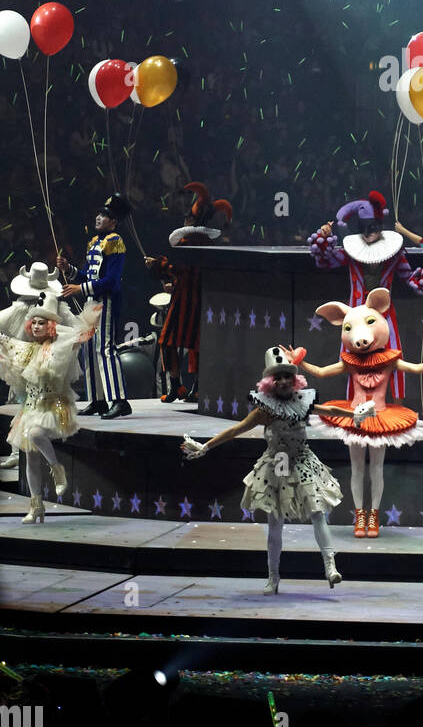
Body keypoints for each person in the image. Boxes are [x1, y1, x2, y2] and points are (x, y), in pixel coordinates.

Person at [181, 346, 372, 593]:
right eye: (278, 377)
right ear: (270, 382)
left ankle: (330, 567)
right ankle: (273, 578)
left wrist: (354, 414)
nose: (283, 381)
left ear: (295, 380)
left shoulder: (302, 402)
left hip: (302, 461)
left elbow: (330, 411)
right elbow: (235, 430)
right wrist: (205, 446)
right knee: (275, 523)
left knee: (317, 511)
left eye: (287, 376)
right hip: (277, 465)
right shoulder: (265, 410)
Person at [291, 287, 423, 539]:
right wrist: (300, 362)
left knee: (376, 469)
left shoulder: (388, 359)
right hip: (354, 417)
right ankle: (360, 516)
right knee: (357, 468)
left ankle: (373, 515)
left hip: (380, 418)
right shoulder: (349, 361)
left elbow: (415, 368)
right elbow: (322, 373)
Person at [309, 190, 423, 404]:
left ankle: (398, 404)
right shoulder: (351, 253)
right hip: (355, 314)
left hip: (384, 314)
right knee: (351, 360)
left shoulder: (395, 253)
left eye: (374, 228)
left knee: (394, 357)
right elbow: (325, 260)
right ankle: (353, 403)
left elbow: (409, 277)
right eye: (366, 229)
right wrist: (323, 237)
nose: (370, 233)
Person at [0, 295, 102, 523]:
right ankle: (36, 507)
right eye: (34, 323)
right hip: (31, 408)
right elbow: (4, 342)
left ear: (51, 326)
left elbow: (82, 335)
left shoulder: (61, 346)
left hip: (54, 406)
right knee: (31, 456)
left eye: (42, 323)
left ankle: (57, 469)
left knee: (35, 434)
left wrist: (83, 320)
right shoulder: (27, 349)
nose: (36, 327)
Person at [145, 180, 232, 403]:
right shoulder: (209, 244)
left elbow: (176, 266)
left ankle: (177, 386)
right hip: (203, 299)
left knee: (167, 342)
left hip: (185, 301)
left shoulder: (188, 240)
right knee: (197, 346)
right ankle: (197, 388)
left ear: (191, 220)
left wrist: (157, 264)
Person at [58, 193, 132, 420]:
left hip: (107, 300)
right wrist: (69, 269)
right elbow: (86, 275)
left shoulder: (115, 241)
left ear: (114, 222)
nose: (99, 218)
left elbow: (111, 280)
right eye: (99, 214)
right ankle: (97, 400)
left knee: (105, 349)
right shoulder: (94, 242)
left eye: (105, 216)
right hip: (92, 300)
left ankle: (120, 400)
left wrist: (81, 289)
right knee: (88, 349)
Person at [0, 263, 76, 471]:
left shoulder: (55, 306)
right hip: (23, 359)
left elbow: (72, 324)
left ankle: (41, 449)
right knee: (24, 404)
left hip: (48, 357)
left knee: (43, 399)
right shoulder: (20, 307)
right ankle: (18, 451)